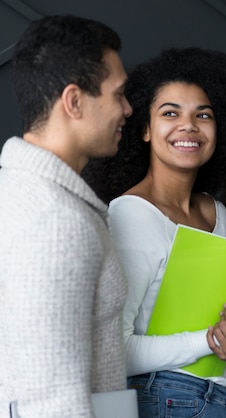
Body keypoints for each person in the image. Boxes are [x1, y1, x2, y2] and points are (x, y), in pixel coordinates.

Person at [82, 47, 226, 418]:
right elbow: (111, 351)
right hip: (158, 398)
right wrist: (208, 339)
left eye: (202, 115)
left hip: (218, 398)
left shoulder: (216, 213)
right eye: (170, 113)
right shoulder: (132, 216)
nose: (188, 125)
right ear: (143, 129)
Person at [0, 15, 133, 417]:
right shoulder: (54, 221)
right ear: (74, 101)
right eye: (119, 94)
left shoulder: (27, 193)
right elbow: (50, 398)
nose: (128, 109)